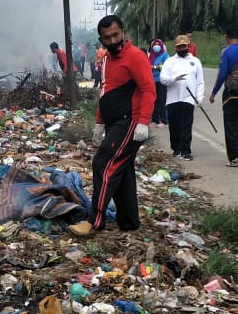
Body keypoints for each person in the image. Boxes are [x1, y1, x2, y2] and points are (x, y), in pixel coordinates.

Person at [79, 14, 155, 234]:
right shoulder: (105, 61)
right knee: (123, 170)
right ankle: (129, 222)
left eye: (115, 35)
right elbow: (104, 92)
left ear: (123, 31)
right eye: (106, 38)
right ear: (101, 39)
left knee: (103, 162)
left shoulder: (135, 56)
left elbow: (148, 89)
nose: (112, 41)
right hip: (113, 123)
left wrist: (143, 122)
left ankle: (96, 220)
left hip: (129, 121)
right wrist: (99, 123)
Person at [209, 28, 238, 166]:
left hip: (230, 94)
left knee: (231, 125)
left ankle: (234, 159)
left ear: (226, 37)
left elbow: (222, 75)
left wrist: (214, 93)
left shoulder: (226, 52)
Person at [159, 34, 204, 160]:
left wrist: (199, 98)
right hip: (173, 99)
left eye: (184, 46)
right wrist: (174, 79)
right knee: (174, 125)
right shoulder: (169, 61)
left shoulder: (195, 62)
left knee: (186, 124)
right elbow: (163, 79)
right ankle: (176, 148)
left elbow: (200, 81)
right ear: (176, 47)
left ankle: (186, 150)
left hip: (188, 98)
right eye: (179, 47)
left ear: (188, 46)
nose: (182, 49)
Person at [148, 38, 169, 125]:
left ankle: (164, 120)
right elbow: (147, 66)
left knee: (162, 100)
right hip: (152, 80)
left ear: (161, 46)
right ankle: (155, 119)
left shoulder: (164, 55)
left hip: (161, 80)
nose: (156, 46)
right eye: (154, 45)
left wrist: (154, 67)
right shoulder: (151, 56)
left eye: (158, 45)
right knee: (154, 101)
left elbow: (166, 66)